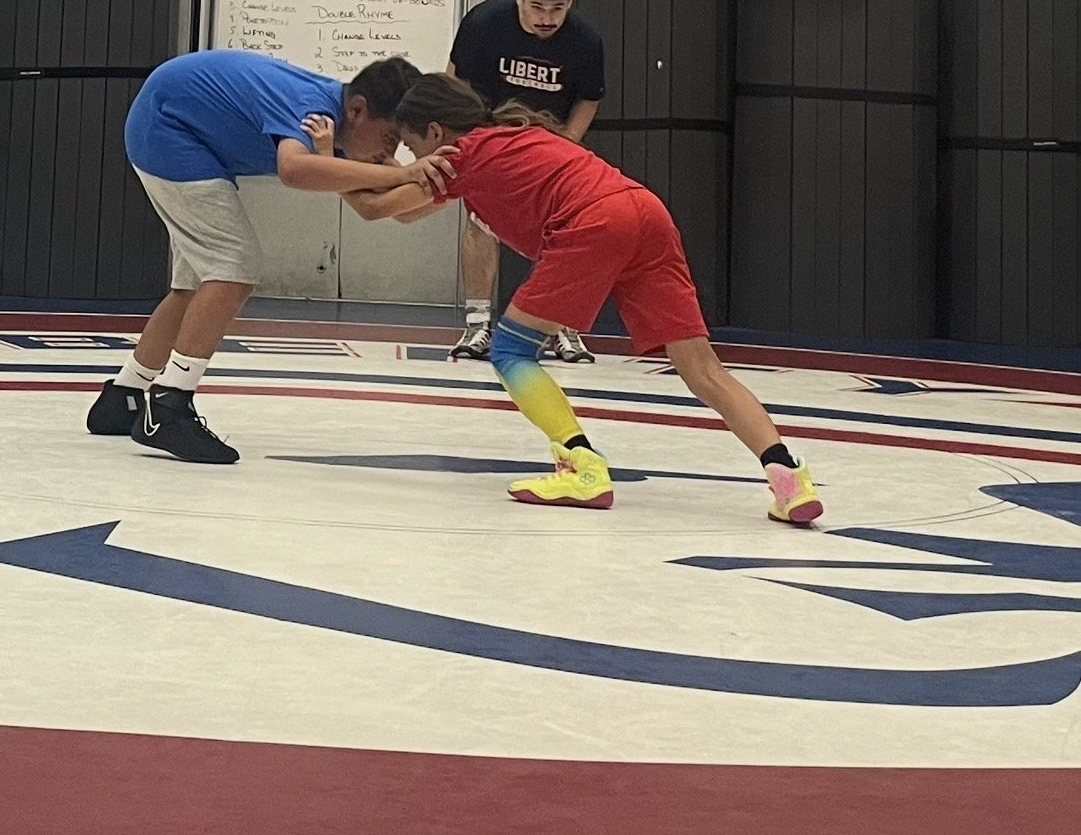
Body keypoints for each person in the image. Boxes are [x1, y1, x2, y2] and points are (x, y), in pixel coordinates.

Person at [312, 73, 823, 522]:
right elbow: (410, 209)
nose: (407, 159)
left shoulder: (459, 156)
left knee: (511, 350)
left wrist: (326, 162)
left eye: (407, 144)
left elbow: (384, 211)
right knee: (702, 368)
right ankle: (787, 477)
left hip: (594, 223)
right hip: (645, 211)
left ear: (437, 134)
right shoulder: (516, 133)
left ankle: (580, 465)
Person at [85, 49, 454, 464]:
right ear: (358, 110)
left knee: (194, 287)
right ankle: (169, 406)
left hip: (176, 127)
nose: (392, 155)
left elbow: (376, 207)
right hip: (167, 129)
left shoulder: (337, 134)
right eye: (390, 141)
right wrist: (403, 173)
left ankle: (124, 396)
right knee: (233, 268)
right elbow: (294, 170)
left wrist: (453, 188)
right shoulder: (312, 110)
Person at [446, 0, 605, 364]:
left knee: (563, 234)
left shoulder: (585, 41)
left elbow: (589, 98)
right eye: (537, 7)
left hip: (549, 144)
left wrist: (569, 142)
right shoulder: (484, 23)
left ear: (570, 3)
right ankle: (478, 324)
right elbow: (453, 81)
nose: (546, 18)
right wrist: (462, 137)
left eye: (557, 8)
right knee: (480, 222)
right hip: (490, 135)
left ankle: (560, 328)